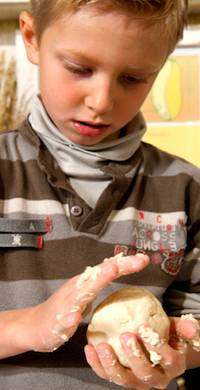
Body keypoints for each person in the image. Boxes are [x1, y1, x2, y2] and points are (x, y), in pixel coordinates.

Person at [0, 0, 199, 389]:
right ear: (32, 38)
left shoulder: (186, 188)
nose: (101, 100)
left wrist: (176, 352)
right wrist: (30, 326)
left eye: (133, 78)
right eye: (80, 69)